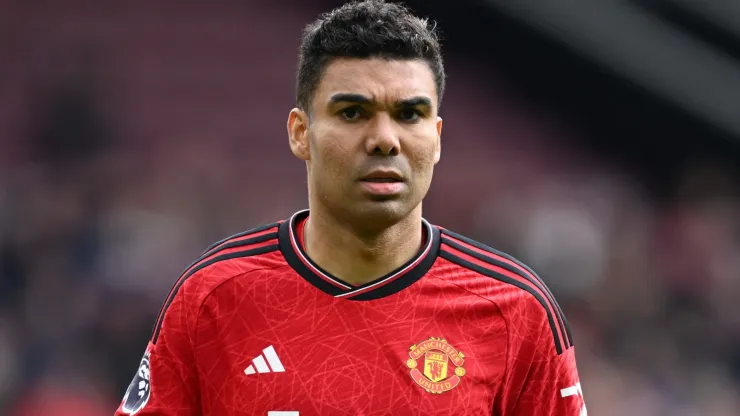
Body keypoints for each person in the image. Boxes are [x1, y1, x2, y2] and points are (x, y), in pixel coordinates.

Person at [115, 1, 586, 415]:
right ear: (301, 133)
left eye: (409, 114)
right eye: (353, 112)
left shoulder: (515, 311)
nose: (384, 139)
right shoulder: (213, 297)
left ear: (437, 138)